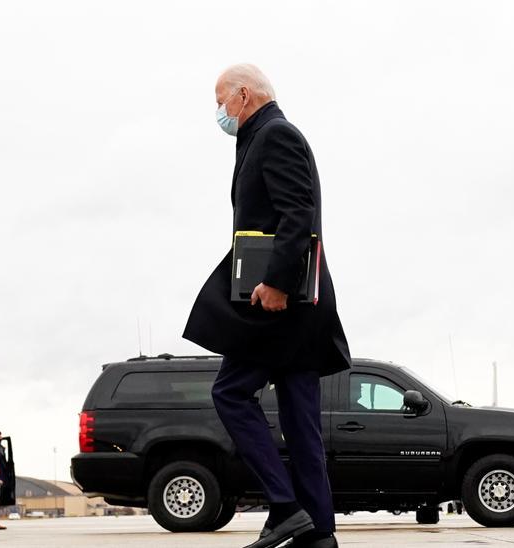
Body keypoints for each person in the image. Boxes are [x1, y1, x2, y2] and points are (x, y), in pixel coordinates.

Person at [183, 64, 351, 548]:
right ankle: (318, 534)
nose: (218, 112)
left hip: (280, 305)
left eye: (220, 101)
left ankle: (284, 507)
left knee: (230, 394)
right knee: (301, 426)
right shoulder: (262, 135)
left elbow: (299, 213)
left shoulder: (275, 135)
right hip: (298, 307)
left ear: (242, 95)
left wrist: (276, 282)